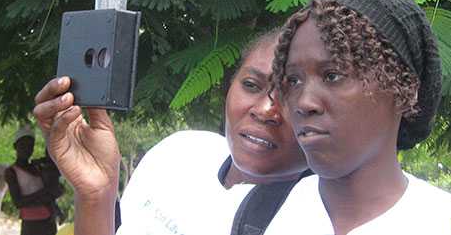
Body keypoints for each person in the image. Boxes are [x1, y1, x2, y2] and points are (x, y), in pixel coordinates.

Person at [271, 0, 451, 234]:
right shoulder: (257, 212)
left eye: (333, 75)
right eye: (293, 80)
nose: (304, 102)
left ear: (403, 87)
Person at [32, 29, 330, 234]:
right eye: (251, 85)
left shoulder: (316, 216)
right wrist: (96, 194)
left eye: (291, 96)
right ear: (228, 87)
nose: (265, 110)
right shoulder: (179, 151)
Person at [6, 126, 62, 235]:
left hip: (48, 221)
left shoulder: (38, 167)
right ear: (15, 146)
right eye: (23, 145)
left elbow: (53, 193)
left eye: (30, 146)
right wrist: (45, 192)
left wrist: (54, 203)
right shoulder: (12, 172)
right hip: (31, 224)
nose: (27, 149)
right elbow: (18, 202)